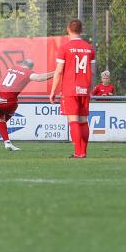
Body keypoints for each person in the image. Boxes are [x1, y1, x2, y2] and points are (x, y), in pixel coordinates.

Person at [49, 20, 95, 158]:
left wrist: (53, 92)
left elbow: (58, 72)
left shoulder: (65, 48)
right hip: (84, 88)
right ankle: (83, 152)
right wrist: (89, 88)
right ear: (81, 30)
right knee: (83, 121)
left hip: (70, 89)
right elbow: (92, 72)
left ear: (68, 29)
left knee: (73, 120)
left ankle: (78, 152)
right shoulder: (89, 48)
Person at [0, 60, 54, 151]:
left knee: (0, 118)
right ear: (31, 67)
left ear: (22, 64)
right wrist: (56, 72)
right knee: (12, 107)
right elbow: (39, 78)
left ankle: (6, 142)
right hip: (8, 99)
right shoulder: (28, 72)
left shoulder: (12, 68)